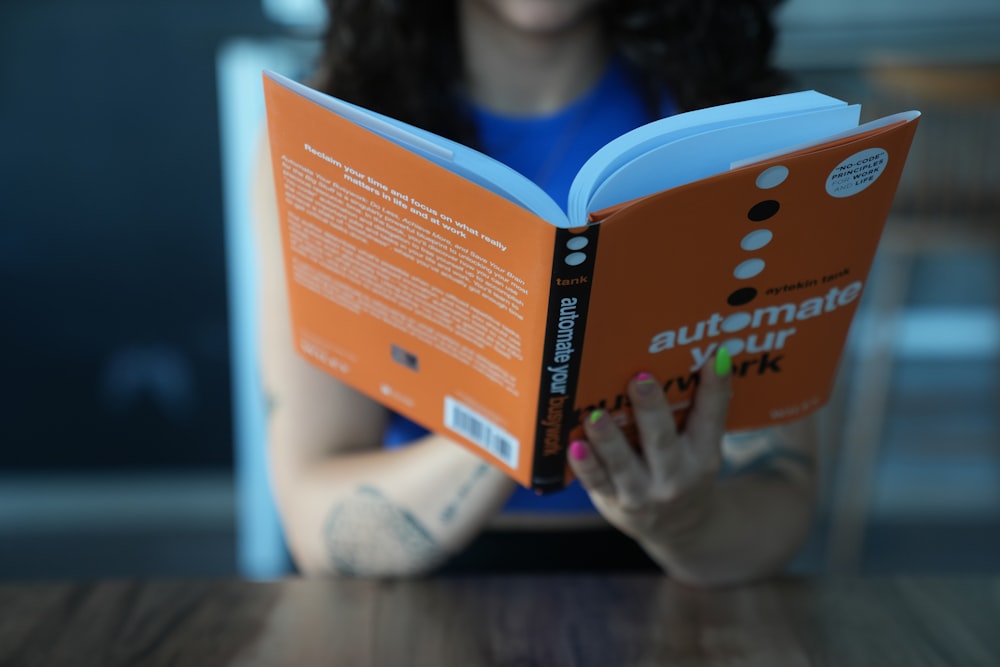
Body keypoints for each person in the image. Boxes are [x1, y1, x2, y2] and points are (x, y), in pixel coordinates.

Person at [253, 0, 820, 586]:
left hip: (673, 581)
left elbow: (782, 500)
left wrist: (686, 521)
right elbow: (315, 518)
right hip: (423, 588)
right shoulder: (327, 141)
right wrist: (530, 411)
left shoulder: (735, 130)